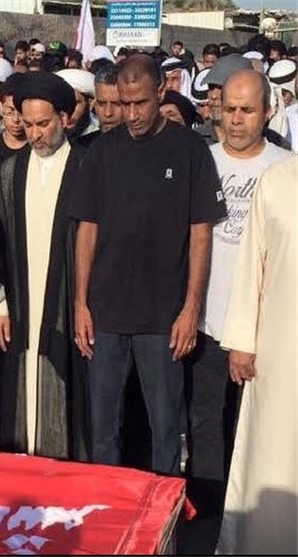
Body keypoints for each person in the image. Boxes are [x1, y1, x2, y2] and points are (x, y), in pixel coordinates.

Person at [69, 54, 227, 475]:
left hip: (163, 318)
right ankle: (107, 506)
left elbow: (201, 233)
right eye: (124, 104)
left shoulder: (190, 149)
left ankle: (163, 512)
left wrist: (191, 309)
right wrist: (81, 303)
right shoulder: (101, 152)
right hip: (105, 315)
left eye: (140, 103)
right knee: (103, 430)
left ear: (160, 92)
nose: (132, 114)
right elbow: (87, 230)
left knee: (165, 430)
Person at [186, 70, 292, 521]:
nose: (235, 120)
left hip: (265, 331)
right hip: (207, 320)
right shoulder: (200, 161)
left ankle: (251, 510)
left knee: (255, 426)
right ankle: (210, 513)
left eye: (247, 110)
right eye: (228, 109)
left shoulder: (284, 171)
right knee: (205, 420)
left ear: (267, 112)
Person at [0, 71, 89, 459]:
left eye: (43, 124)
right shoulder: (10, 171)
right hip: (20, 303)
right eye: (28, 125)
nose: (35, 134)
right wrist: (0, 304)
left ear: (64, 118)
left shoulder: (85, 167)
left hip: (68, 304)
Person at [214, 155, 297, 554]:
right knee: (274, 448)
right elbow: (251, 263)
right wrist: (242, 341)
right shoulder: (277, 180)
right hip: (280, 350)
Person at [78, 64, 121, 148]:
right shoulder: (82, 148)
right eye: (102, 103)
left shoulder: (146, 150)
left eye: (117, 104)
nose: (108, 113)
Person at [0, 73, 28, 160]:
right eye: (10, 111)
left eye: (21, 112)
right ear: (1, 107)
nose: (16, 119)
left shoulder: (38, 148)